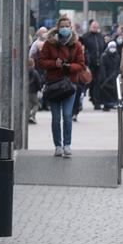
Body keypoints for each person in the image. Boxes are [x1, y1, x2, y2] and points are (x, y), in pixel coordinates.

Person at [39, 15, 86, 158]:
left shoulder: (76, 45)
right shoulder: (49, 43)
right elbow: (41, 62)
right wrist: (55, 64)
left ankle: (67, 144)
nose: (65, 28)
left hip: (68, 85)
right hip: (53, 85)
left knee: (67, 115)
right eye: (62, 26)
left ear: (71, 28)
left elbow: (81, 64)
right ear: (58, 28)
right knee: (55, 118)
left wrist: (69, 66)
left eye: (67, 26)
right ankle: (57, 145)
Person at [80, 20, 105, 110]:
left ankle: (96, 102)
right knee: (85, 83)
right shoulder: (85, 37)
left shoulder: (101, 36)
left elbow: (104, 48)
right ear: (90, 27)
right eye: (93, 26)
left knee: (97, 83)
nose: (95, 28)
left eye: (96, 26)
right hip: (88, 64)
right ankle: (79, 103)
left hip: (99, 64)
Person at [96, 41, 121, 110]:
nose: (112, 48)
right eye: (111, 47)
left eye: (114, 47)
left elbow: (118, 66)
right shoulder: (104, 56)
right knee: (106, 91)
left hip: (114, 76)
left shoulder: (117, 56)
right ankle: (106, 105)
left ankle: (112, 104)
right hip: (106, 76)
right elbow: (102, 67)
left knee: (113, 91)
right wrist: (104, 77)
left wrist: (118, 74)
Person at [28, 58, 43, 124]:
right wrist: (40, 89)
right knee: (36, 104)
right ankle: (32, 116)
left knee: (30, 104)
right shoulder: (35, 72)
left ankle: (28, 116)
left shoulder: (25, 71)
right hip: (33, 91)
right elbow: (38, 82)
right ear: (33, 64)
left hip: (27, 90)